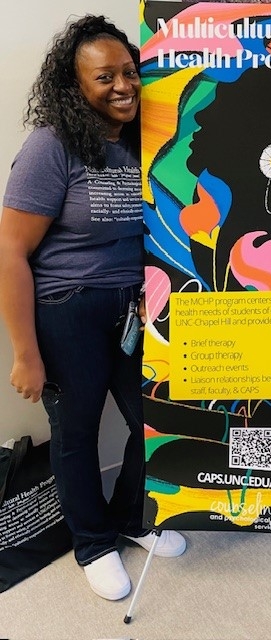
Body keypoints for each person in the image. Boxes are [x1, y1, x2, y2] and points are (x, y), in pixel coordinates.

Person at [0, 15, 186, 600]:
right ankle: (93, 542)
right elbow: (9, 251)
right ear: (75, 85)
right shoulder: (51, 145)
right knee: (76, 434)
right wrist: (26, 352)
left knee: (153, 420)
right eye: (104, 77)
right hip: (66, 310)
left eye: (129, 72)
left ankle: (132, 517)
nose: (123, 86)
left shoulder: (147, 138)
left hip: (136, 308)